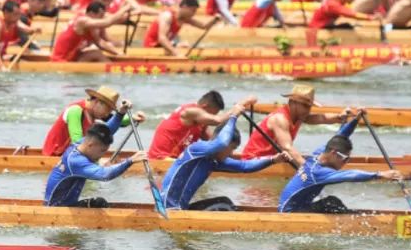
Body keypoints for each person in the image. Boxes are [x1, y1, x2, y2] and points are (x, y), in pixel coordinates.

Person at [161, 112, 289, 211]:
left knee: (224, 202)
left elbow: (244, 166)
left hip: (180, 209)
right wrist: (233, 117)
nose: (231, 153)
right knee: (225, 206)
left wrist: (273, 160)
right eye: (232, 148)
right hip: (168, 209)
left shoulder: (214, 162)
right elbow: (221, 142)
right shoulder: (196, 149)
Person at [278, 118, 402, 213]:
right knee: (332, 203)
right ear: (333, 153)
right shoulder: (317, 172)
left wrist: (356, 119)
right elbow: (349, 175)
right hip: (290, 214)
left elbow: (341, 136)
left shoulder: (318, 154)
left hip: (293, 208)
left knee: (331, 203)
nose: (345, 162)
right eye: (344, 158)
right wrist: (379, 174)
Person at [241, 85, 357, 166]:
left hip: (274, 159)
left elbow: (321, 118)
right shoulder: (280, 119)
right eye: (305, 106)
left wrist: (340, 117)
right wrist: (307, 169)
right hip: (253, 161)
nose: (308, 110)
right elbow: (288, 148)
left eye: (309, 106)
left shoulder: (299, 116)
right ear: (292, 102)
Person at [44, 120, 147, 208]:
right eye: (102, 151)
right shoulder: (75, 161)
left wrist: (120, 114)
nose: (102, 155)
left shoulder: (80, 144)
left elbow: (105, 132)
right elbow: (105, 175)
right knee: (101, 204)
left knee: (99, 203)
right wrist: (130, 161)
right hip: (56, 209)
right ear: (90, 145)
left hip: (68, 205)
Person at [149, 92, 256, 159]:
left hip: (175, 158)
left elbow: (214, 143)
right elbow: (218, 120)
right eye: (211, 114)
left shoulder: (200, 123)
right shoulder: (191, 112)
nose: (210, 117)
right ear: (204, 106)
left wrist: (241, 156)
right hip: (161, 158)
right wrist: (242, 103)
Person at [42, 86, 144, 157]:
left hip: (70, 156)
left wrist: (132, 118)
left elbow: (114, 124)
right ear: (98, 102)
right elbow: (77, 142)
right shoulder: (75, 111)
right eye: (107, 110)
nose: (107, 114)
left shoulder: (93, 113)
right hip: (55, 156)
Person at [51, 1, 130, 62]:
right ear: (91, 13)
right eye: (100, 15)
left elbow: (100, 43)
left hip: (72, 55)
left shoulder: (89, 22)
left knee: (95, 53)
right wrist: (125, 8)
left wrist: (118, 53)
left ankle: (112, 72)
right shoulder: (82, 21)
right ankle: (113, 73)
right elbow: (107, 22)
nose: (102, 18)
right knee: (95, 54)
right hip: (60, 60)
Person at [0, 0, 41, 70]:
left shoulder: (14, 22)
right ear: (6, 13)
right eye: (15, 14)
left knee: (20, 60)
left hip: (0, 57)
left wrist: (34, 30)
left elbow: (27, 29)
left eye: (19, 14)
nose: (18, 17)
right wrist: (0, 65)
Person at [143, 0, 214, 55]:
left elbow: (204, 26)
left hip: (162, 47)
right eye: (193, 11)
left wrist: (215, 19)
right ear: (184, 6)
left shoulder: (185, 18)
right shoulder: (167, 16)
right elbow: (162, 38)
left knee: (185, 45)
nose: (193, 14)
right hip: (152, 48)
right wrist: (176, 53)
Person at [308, 0, 373, 29]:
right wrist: (370, 17)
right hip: (318, 28)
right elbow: (352, 14)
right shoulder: (333, 4)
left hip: (324, 25)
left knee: (351, 25)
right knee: (347, 27)